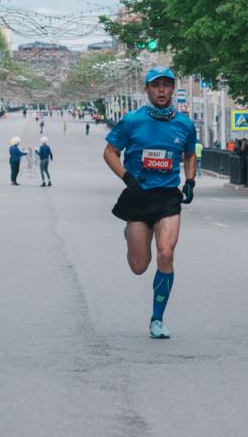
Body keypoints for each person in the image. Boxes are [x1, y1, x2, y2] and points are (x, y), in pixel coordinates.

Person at [103, 66, 197, 340]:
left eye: (167, 85)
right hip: (138, 194)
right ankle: (132, 237)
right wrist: (126, 177)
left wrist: (189, 181)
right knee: (139, 266)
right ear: (147, 90)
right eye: (156, 86)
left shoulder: (185, 124)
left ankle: (157, 319)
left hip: (168, 196)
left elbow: (190, 155)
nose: (161, 90)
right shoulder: (132, 120)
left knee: (166, 254)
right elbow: (110, 152)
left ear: (172, 89)